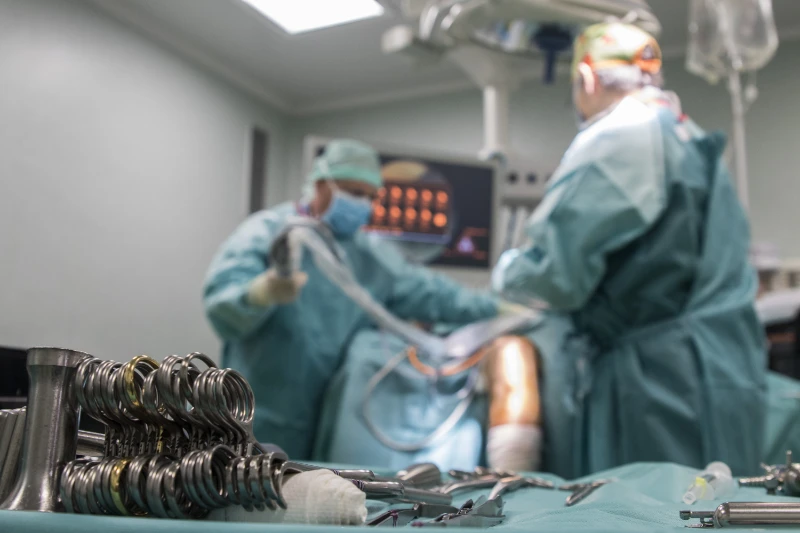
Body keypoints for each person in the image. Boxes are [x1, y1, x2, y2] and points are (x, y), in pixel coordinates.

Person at [492, 22, 766, 477]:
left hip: (659, 388)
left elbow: (554, 276)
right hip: (726, 372)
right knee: (723, 501)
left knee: (646, 506)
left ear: (586, 78)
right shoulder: (687, 135)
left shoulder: (618, 138)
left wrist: (505, 273)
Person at [203, 139, 501, 460]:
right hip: (261, 410)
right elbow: (222, 306)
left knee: (314, 487)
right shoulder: (269, 232)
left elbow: (430, 292)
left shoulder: (369, 253)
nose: (364, 204)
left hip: (331, 417)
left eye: (371, 197)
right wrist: (262, 292)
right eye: (354, 192)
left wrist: (497, 307)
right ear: (321, 185)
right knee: (250, 481)